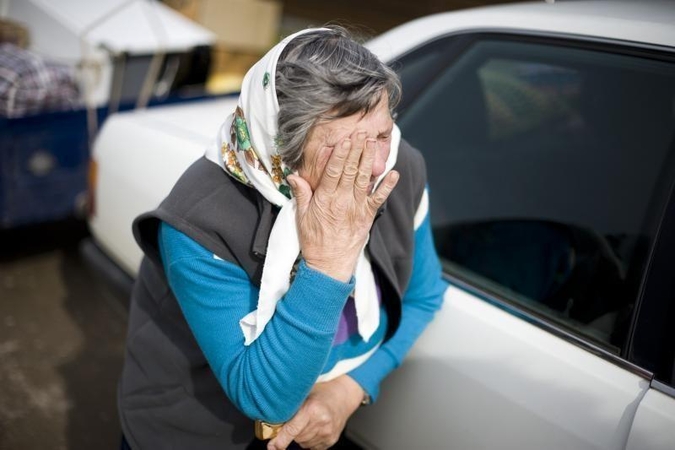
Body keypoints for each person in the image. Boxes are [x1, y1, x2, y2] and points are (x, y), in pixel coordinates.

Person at [117, 26, 449, 450]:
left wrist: (349, 391)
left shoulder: (401, 170)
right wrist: (329, 263)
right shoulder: (198, 219)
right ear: (280, 148)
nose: (373, 164)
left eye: (382, 135)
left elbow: (423, 296)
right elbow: (265, 399)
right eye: (344, 149)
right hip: (194, 433)